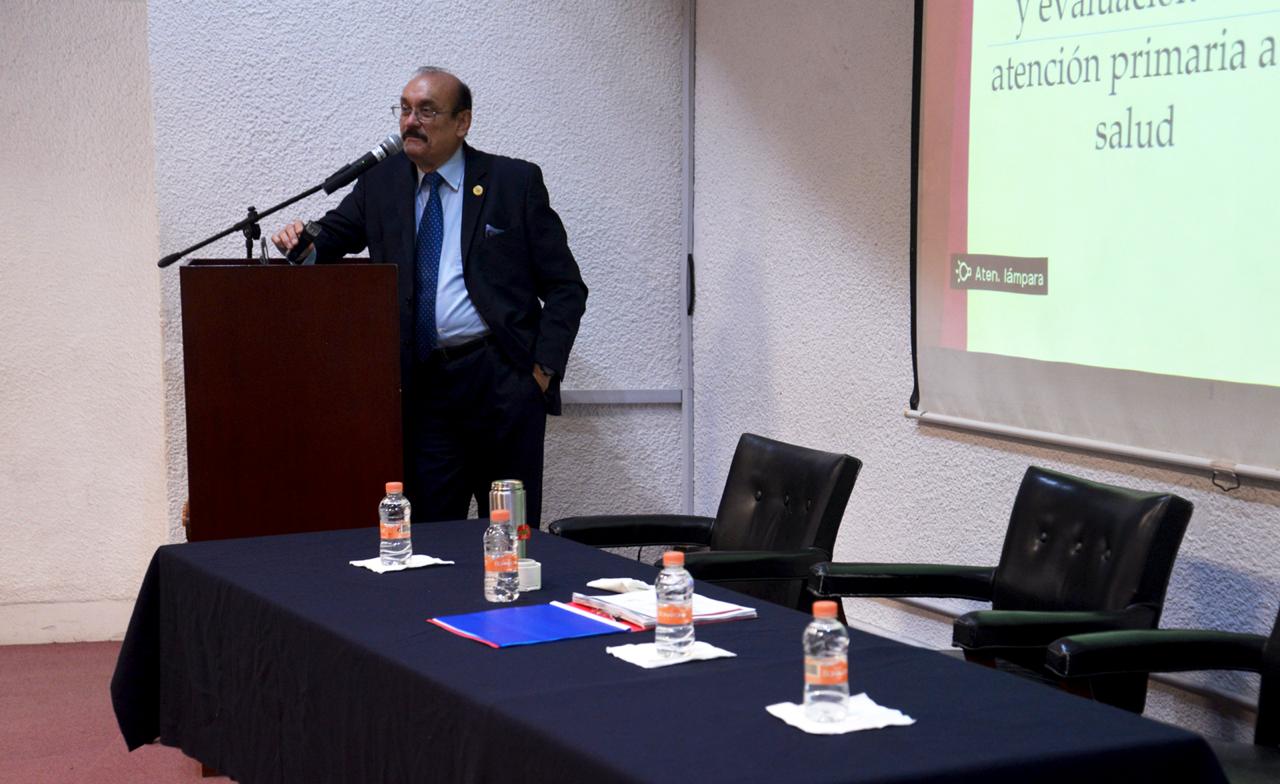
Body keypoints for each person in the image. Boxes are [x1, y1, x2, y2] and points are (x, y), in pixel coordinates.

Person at [272, 66, 587, 529]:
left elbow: (565, 287)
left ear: (462, 122)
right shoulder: (381, 184)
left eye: (426, 110)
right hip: (424, 391)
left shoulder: (512, 183)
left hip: (500, 382)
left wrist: (540, 372)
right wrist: (299, 244)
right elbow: (325, 245)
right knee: (432, 538)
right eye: (404, 109)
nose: (410, 122)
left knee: (511, 537)